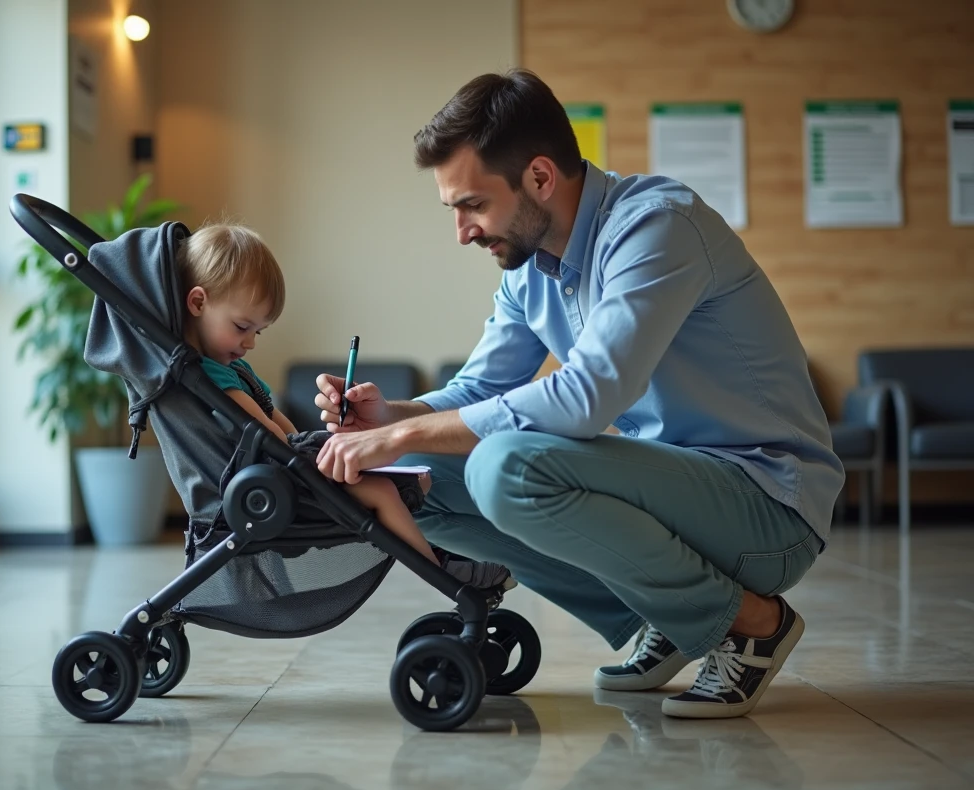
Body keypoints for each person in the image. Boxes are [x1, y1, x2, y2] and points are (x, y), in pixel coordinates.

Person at [312, 69, 843, 719]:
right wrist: (392, 418)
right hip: (678, 493)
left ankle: (754, 624)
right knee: (407, 479)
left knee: (506, 466)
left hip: (767, 507)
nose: (463, 232)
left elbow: (590, 396)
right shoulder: (528, 265)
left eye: (472, 204)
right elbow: (484, 385)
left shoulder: (656, 227)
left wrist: (404, 432)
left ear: (539, 178)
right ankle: (662, 618)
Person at [177, 222, 515, 591]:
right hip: (271, 482)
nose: (250, 343)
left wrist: (308, 443)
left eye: (258, 332)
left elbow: (277, 421)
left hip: (280, 469)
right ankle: (443, 573)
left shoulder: (231, 368)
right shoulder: (211, 377)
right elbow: (263, 432)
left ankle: (443, 559)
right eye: (243, 327)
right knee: (382, 491)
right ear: (197, 303)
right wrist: (308, 451)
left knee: (402, 476)